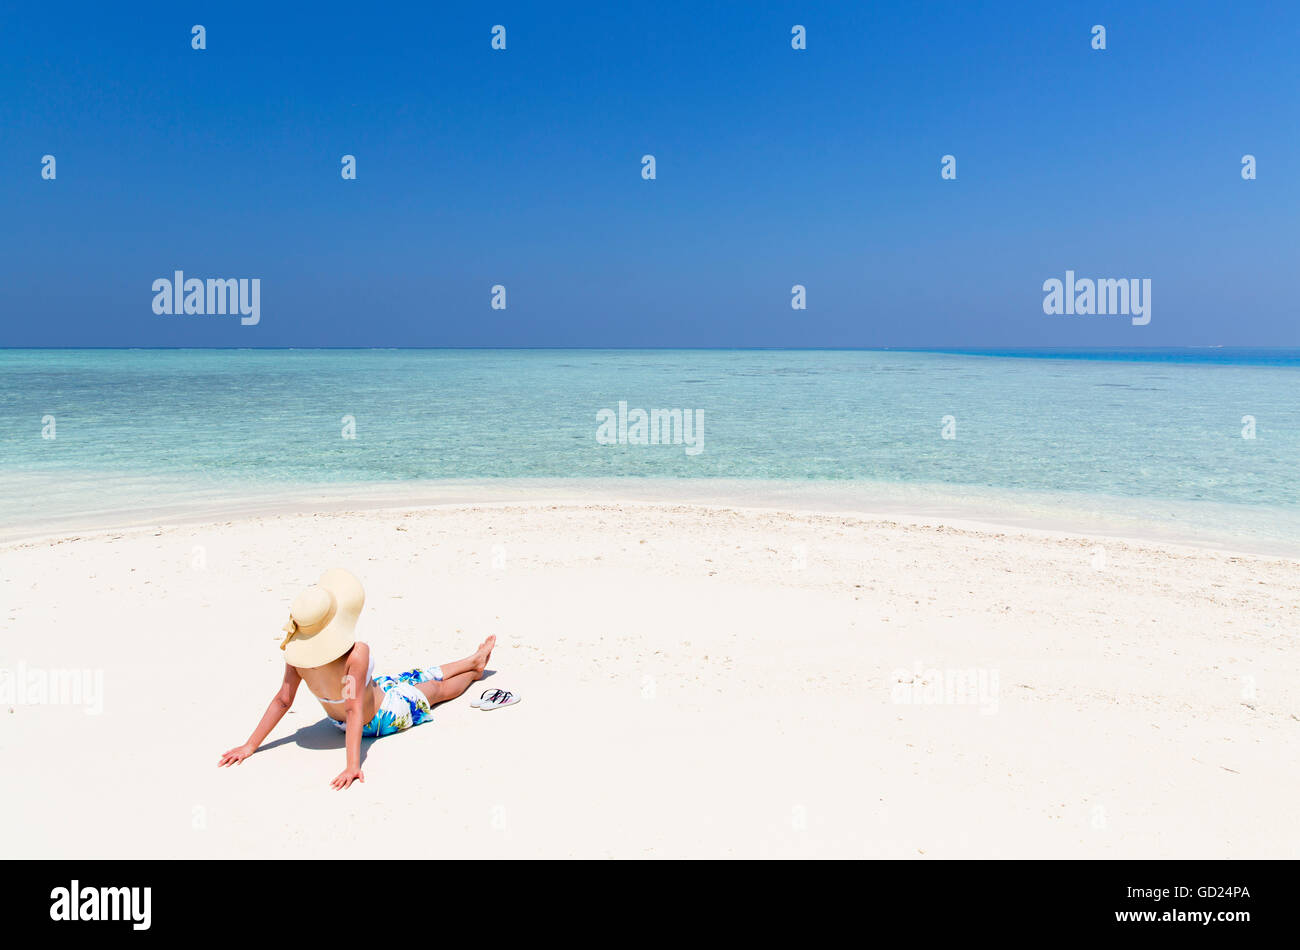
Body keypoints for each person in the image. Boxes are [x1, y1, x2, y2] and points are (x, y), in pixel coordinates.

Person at [218, 568, 494, 789]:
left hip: (354, 708)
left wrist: (250, 745)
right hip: (380, 716)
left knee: (410, 676)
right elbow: (353, 709)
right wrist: (353, 765)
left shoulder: (296, 656)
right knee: (434, 689)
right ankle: (473, 672)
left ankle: (471, 659)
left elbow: (282, 700)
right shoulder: (356, 653)